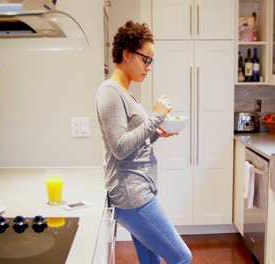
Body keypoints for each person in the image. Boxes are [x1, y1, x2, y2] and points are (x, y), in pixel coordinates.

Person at [96, 21, 192, 264]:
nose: (148, 67)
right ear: (127, 54)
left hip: (139, 190)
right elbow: (119, 148)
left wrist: (157, 132)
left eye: (151, 61)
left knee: (151, 261)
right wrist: (155, 116)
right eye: (145, 59)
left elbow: (133, 144)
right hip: (131, 195)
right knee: (182, 258)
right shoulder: (110, 92)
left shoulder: (124, 92)